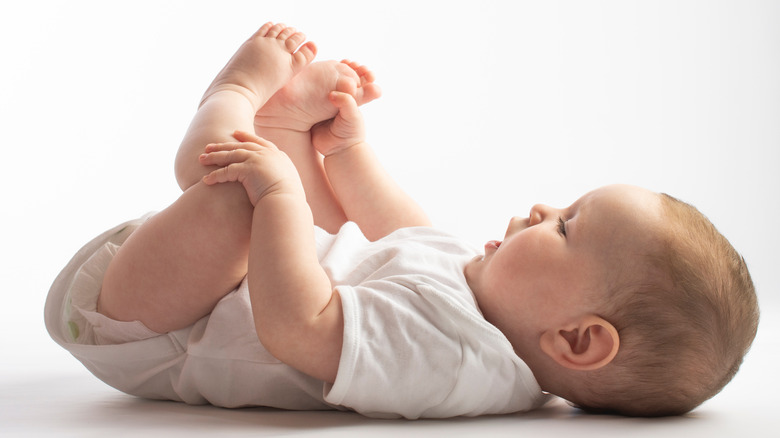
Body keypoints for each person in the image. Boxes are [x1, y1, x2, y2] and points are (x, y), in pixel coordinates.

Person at [45, 22, 759, 419]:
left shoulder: (454, 362)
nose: (544, 208)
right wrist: (347, 152)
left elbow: (300, 326)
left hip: (153, 327)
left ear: (576, 339)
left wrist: (282, 196)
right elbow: (401, 232)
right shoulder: (482, 303)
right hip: (206, 289)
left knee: (244, 192)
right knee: (327, 231)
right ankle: (287, 134)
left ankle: (230, 95)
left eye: (567, 226)